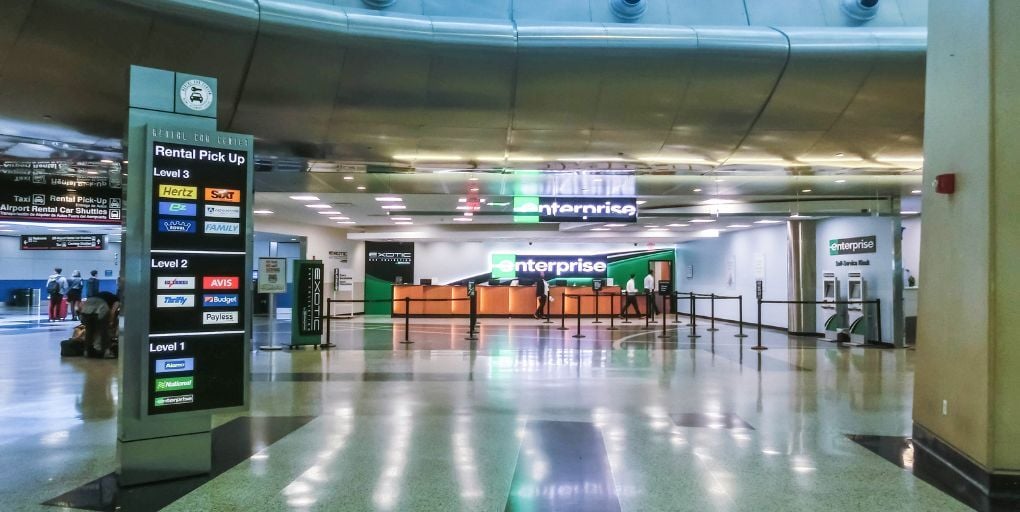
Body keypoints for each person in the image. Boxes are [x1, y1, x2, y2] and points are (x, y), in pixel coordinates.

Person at [78, 290, 120, 358]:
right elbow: (113, 311)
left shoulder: (101, 294)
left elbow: (80, 306)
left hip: (87, 305)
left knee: (89, 331)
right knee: (104, 331)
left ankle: (87, 351)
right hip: (101, 306)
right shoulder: (116, 299)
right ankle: (106, 352)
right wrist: (111, 321)